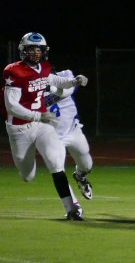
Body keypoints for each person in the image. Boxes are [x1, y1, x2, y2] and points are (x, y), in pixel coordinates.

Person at [2, 32, 89, 220]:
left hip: (42, 125)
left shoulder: (44, 68)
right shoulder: (13, 71)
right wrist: (38, 114)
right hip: (19, 129)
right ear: (23, 51)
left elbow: (54, 80)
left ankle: (72, 209)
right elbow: (11, 106)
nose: (35, 53)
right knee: (28, 175)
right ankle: (27, 171)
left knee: (55, 163)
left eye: (38, 49)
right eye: (31, 49)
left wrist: (74, 81)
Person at [44, 69, 93, 200]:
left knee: (87, 165)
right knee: (58, 170)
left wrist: (78, 79)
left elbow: (69, 89)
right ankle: (73, 207)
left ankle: (80, 176)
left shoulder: (64, 76)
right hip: (53, 137)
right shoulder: (32, 88)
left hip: (73, 130)